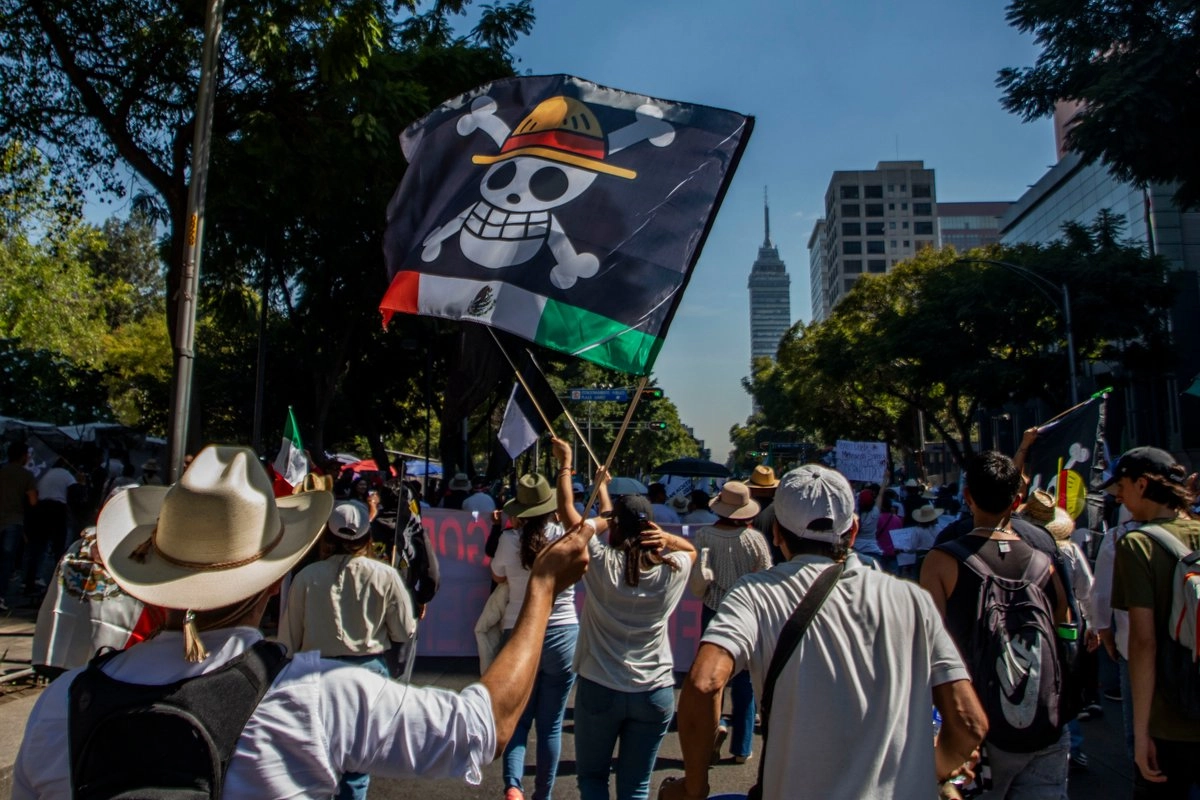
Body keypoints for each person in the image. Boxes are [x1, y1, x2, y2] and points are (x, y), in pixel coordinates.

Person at [13, 444, 588, 799]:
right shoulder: (315, 697)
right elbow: (482, 727)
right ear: (270, 577)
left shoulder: (58, 706)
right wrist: (542, 587)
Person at [663, 464, 987, 800]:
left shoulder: (755, 594)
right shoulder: (912, 600)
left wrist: (694, 787)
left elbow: (704, 683)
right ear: (853, 531)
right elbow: (969, 723)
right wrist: (927, 769)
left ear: (776, 533)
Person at [920, 451, 1071, 799]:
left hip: (975, 726)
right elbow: (1066, 632)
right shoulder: (1043, 563)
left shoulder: (942, 562)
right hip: (1045, 723)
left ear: (967, 496)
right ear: (1017, 501)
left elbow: (928, 647)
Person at [551, 439, 696, 800]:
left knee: (594, 780)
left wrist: (566, 464)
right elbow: (690, 549)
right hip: (654, 692)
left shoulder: (601, 565)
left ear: (616, 526)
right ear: (652, 529)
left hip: (601, 685)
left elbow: (571, 516)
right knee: (637, 787)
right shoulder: (673, 568)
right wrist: (666, 538)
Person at [279, 499, 416, 800]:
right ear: (367, 537)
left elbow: (288, 640)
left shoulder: (306, 577)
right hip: (367, 674)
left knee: (316, 762)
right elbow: (405, 630)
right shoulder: (385, 575)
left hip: (317, 673)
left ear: (327, 537)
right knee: (356, 767)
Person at [1107, 446, 1200, 797]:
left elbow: (1143, 642)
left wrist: (1141, 730)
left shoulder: (1137, 544)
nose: (1119, 497)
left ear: (1142, 484)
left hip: (1169, 722)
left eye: (1123, 487)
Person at [490, 469, 580, 800]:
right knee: (551, 724)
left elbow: (497, 575)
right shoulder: (567, 537)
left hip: (518, 632)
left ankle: (513, 785)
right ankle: (544, 794)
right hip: (563, 632)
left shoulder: (508, 540)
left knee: (516, 720)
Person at [688, 481, 770, 764]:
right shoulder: (755, 540)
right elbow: (766, 576)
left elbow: (697, 573)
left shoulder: (704, 535)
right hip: (747, 613)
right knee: (745, 681)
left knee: (712, 679)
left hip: (713, 610)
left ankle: (712, 735)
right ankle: (742, 747)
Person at [1017, 489, 1097, 772]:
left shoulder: (1026, 548)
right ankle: (1071, 743)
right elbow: (1086, 590)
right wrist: (1092, 623)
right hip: (1069, 623)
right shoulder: (1069, 550)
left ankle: (1054, 735)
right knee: (1067, 679)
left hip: (1039, 625)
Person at [1, 440, 38, 612]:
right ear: (23, 456)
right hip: (14, 520)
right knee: (7, 560)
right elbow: (33, 501)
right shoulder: (26, 475)